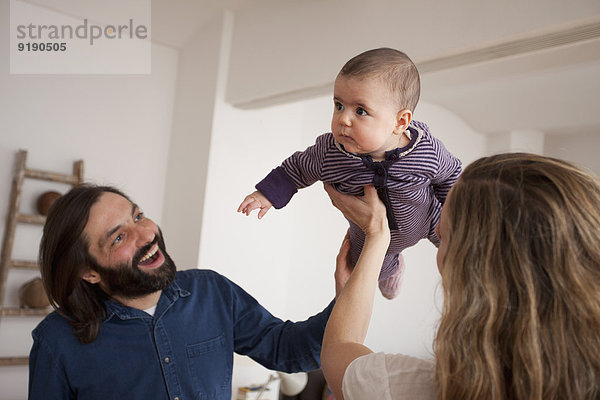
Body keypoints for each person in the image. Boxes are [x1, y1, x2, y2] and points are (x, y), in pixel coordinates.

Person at [320, 153, 600, 400]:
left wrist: (377, 235)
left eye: (442, 235)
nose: (436, 237)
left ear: (468, 267)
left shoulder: (411, 387)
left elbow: (338, 353)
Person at [29, 184, 336, 400]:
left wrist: (351, 290)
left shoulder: (213, 292)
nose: (147, 234)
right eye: (119, 237)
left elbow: (290, 351)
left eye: (137, 216)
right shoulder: (56, 342)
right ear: (89, 272)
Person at [238, 48, 461, 299]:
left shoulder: (425, 150)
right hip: (368, 235)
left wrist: (456, 215)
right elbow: (296, 169)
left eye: (360, 111)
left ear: (400, 122)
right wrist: (266, 194)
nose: (344, 119)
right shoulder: (330, 152)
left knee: (459, 248)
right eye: (339, 105)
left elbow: (451, 176)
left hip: (428, 218)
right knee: (361, 268)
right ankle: (392, 268)